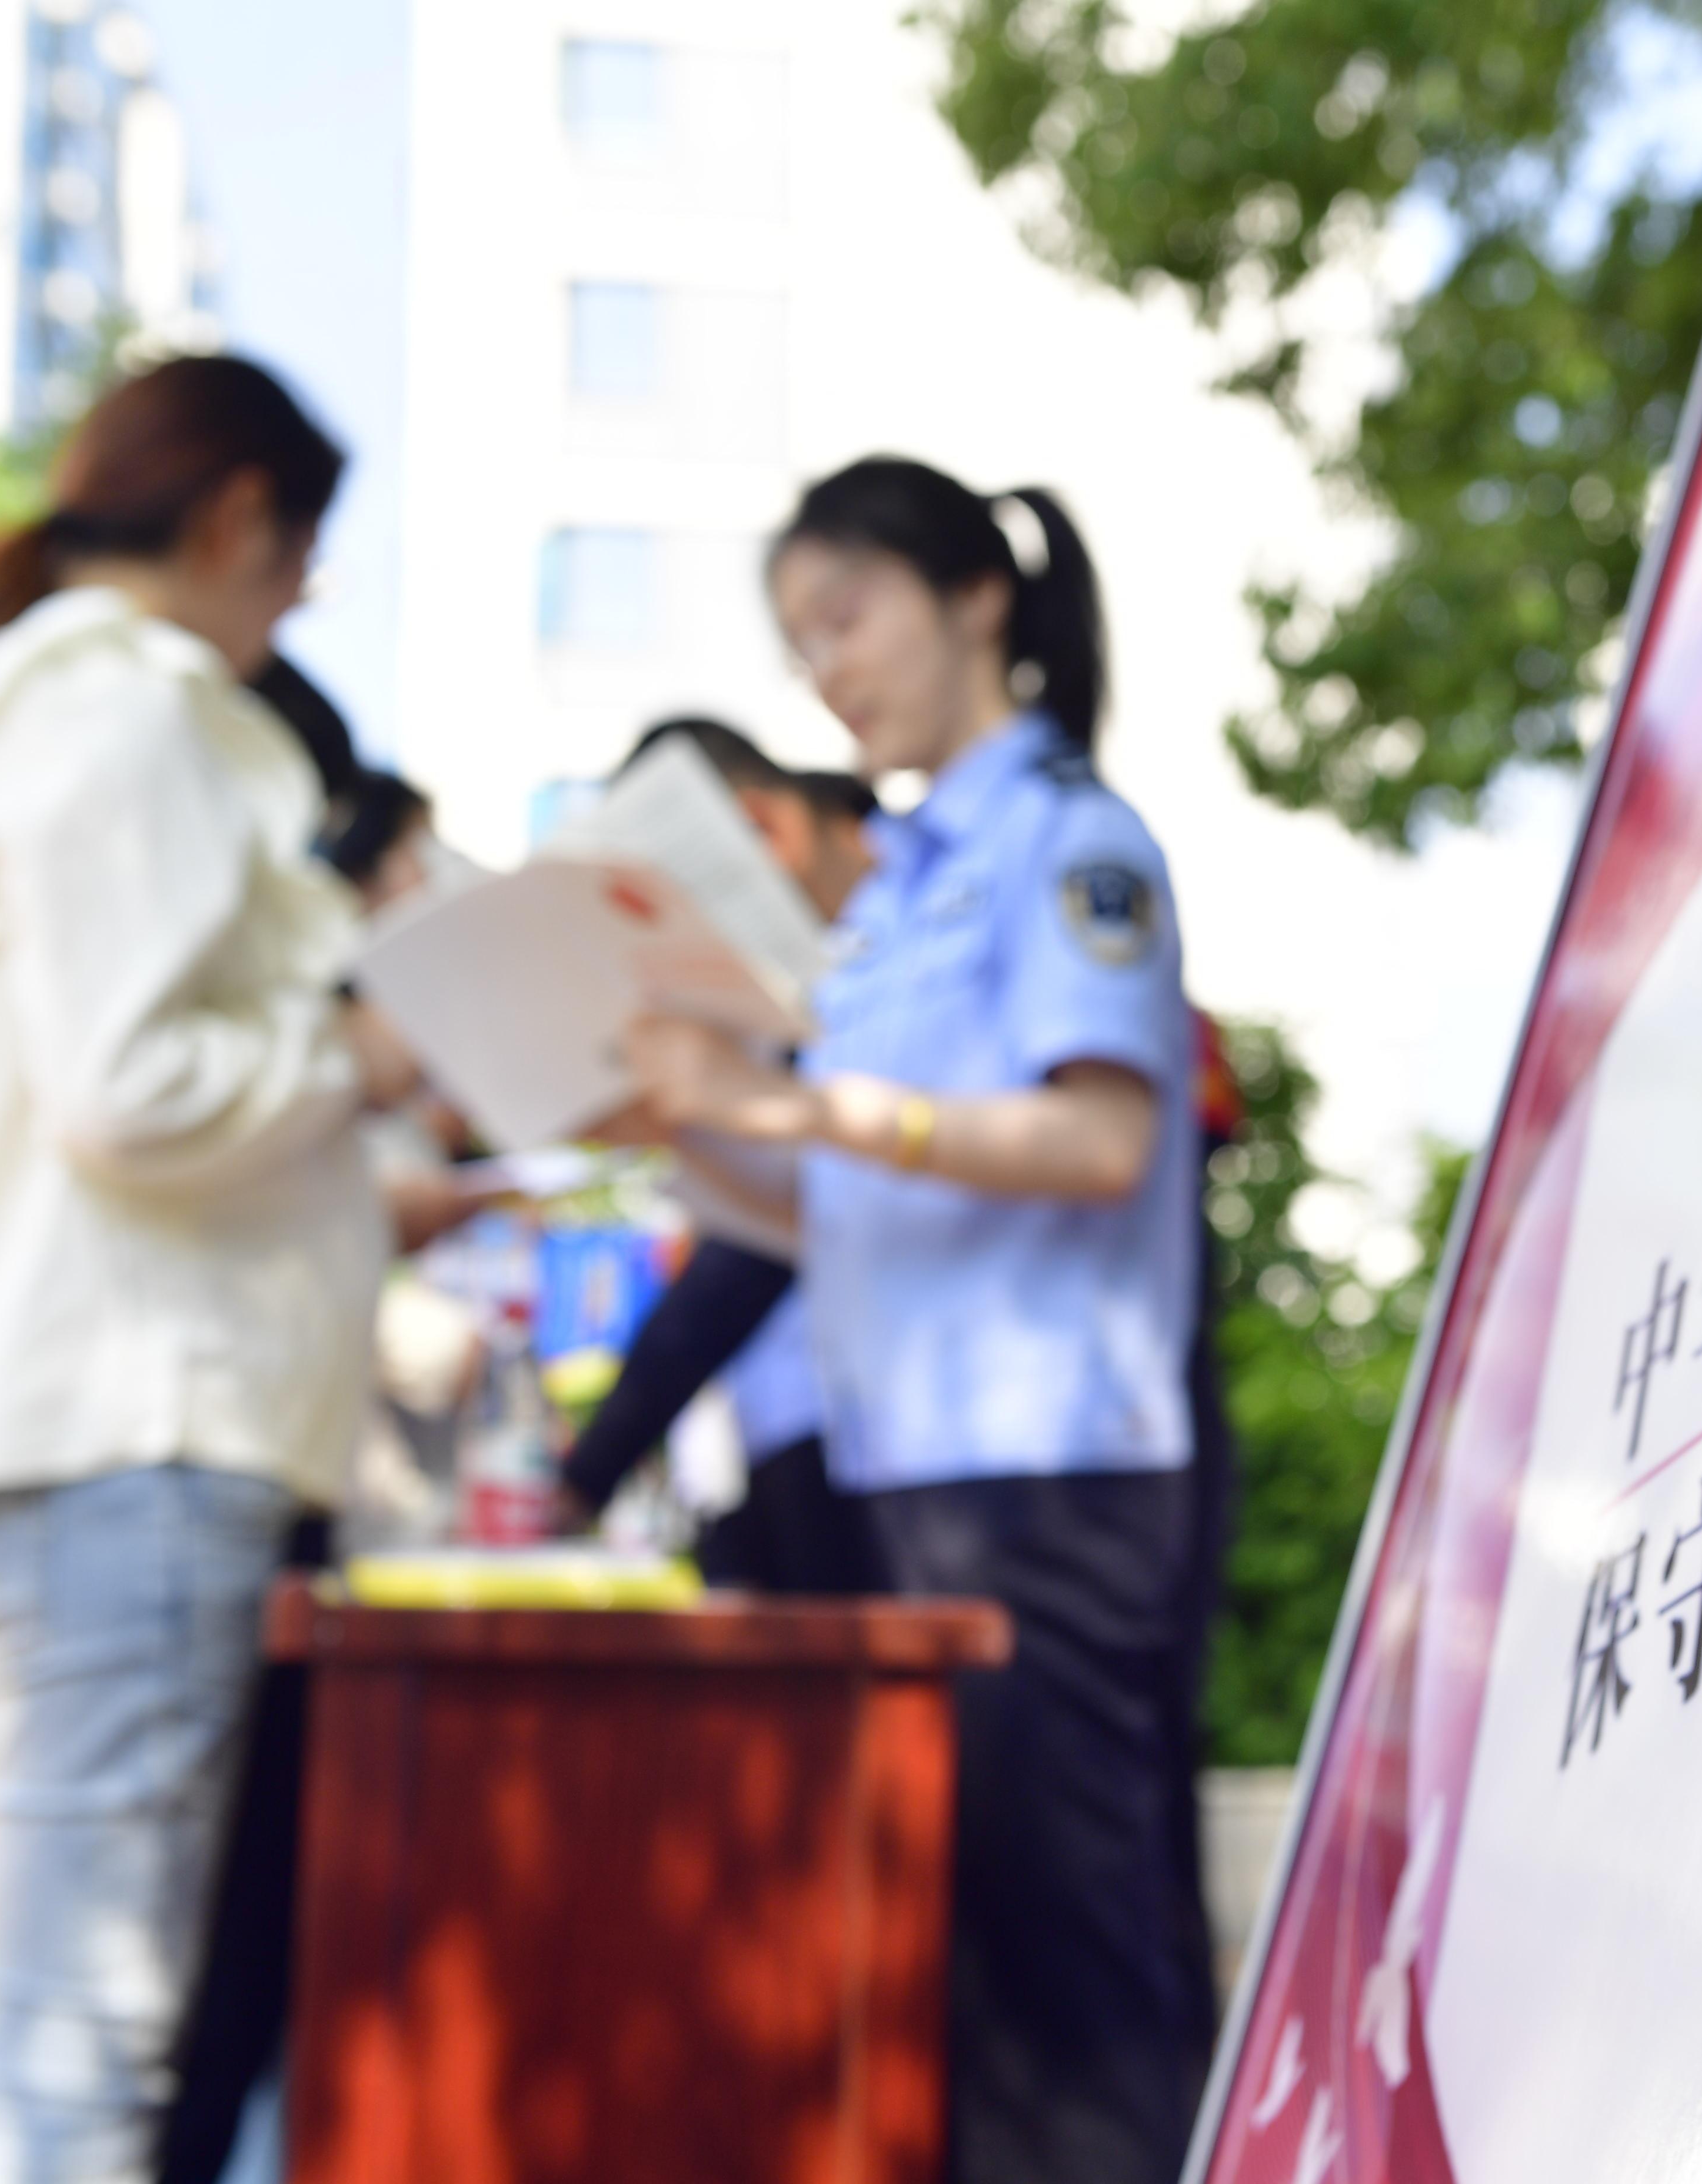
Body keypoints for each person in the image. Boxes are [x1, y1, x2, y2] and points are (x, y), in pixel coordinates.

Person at [0, 354, 410, 2184]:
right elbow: (134, 1092)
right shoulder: (134, 719)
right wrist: (364, 1055)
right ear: (237, 517)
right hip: (127, 1437)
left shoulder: (1, 723)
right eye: (303, 557)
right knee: (67, 2071)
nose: (300, 600)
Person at [622, 457, 1215, 2184]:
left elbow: (1098, 1141)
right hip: (913, 1478)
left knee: (1077, 1984)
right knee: (961, 1978)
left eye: (848, 616)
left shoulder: (1068, 844)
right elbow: (839, 1204)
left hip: (1051, 1471)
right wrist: (689, 1120)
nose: (829, 669)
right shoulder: (889, 902)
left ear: (976, 597)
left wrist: (800, 1104)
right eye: (801, 642)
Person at [556, 717, 883, 1592]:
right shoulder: (793, 986)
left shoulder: (892, 946)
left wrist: (591, 1469)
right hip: (795, 1434)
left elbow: (766, 1249)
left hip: (914, 1446)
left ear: (768, 831)